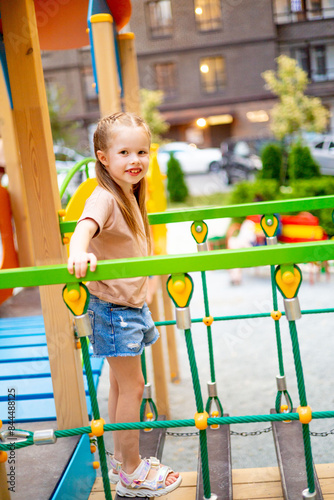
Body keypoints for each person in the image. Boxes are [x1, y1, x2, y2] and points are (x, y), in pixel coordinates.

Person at [67, 112, 181, 497]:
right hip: (114, 310)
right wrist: (79, 253)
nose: (135, 160)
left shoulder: (130, 192)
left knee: (120, 385)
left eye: (142, 151)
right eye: (124, 152)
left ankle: (120, 458)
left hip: (126, 306)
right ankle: (132, 471)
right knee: (134, 388)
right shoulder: (104, 196)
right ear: (103, 158)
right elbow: (85, 226)